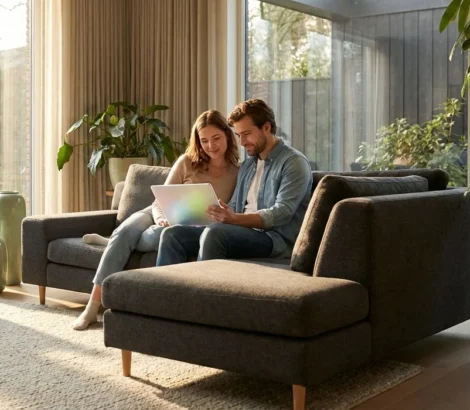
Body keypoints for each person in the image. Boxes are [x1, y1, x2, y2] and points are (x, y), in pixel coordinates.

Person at [73, 110, 241, 330]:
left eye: (216, 138)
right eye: (204, 140)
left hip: (186, 228)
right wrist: (162, 218)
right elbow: (160, 199)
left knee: (154, 237)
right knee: (126, 232)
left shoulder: (238, 172)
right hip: (155, 213)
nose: (211, 145)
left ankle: (112, 241)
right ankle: (92, 307)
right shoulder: (187, 162)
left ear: (227, 135)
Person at [156, 98, 312, 266]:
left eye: (246, 134)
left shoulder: (293, 162)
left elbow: (282, 212)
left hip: (273, 240)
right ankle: (164, 292)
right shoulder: (247, 166)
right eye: (238, 135)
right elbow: (235, 205)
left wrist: (234, 219)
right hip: (240, 232)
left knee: (215, 233)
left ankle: (202, 292)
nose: (242, 142)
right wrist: (216, 214)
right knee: (173, 235)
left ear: (266, 127)